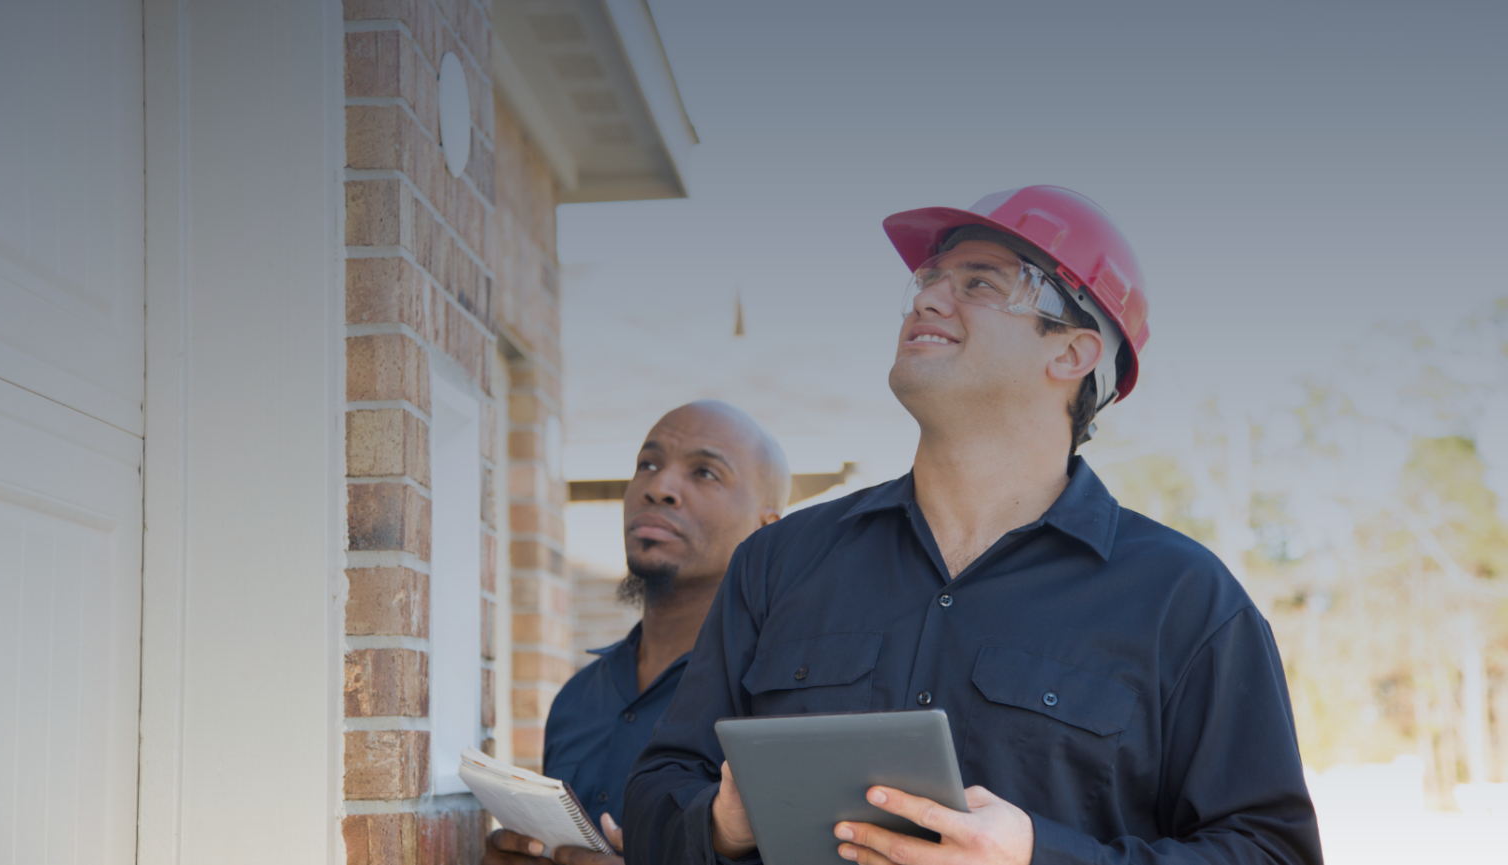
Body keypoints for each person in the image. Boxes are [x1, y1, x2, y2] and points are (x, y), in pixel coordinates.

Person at [624, 187, 1322, 865]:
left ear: (1072, 353)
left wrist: (1035, 856)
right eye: (928, 280)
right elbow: (657, 794)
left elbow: (1270, 850)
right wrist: (720, 821)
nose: (926, 297)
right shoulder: (776, 564)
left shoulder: (1187, 601)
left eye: (980, 284)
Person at [486, 400, 791, 865]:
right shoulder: (577, 697)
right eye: (647, 464)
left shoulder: (780, 697)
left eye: (705, 472)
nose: (659, 487)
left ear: (765, 527)